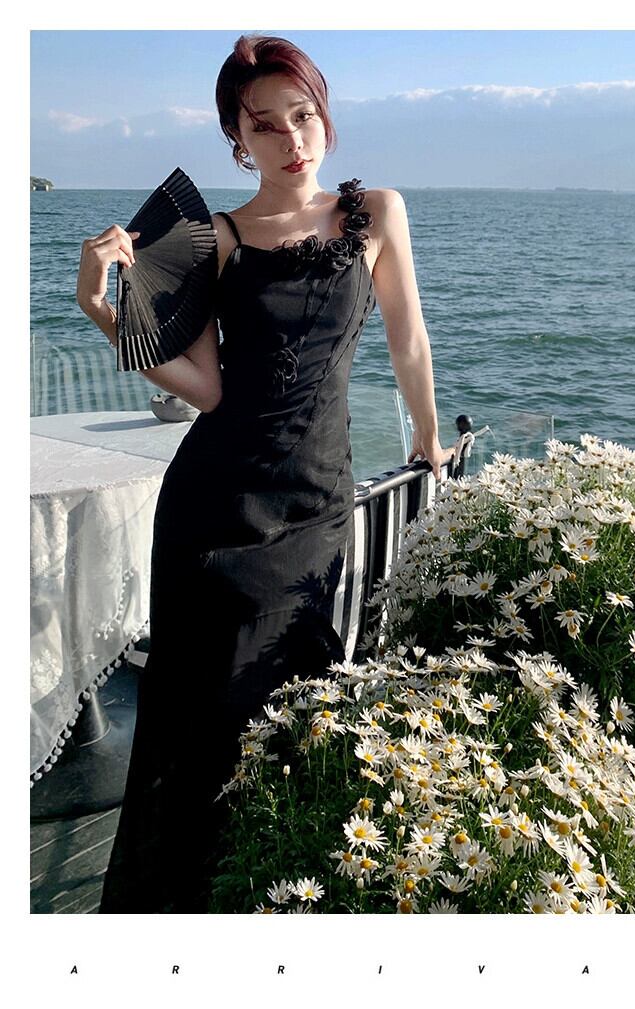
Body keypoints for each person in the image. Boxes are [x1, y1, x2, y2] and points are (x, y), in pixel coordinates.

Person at [75, 33, 453, 913]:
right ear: (238, 140)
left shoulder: (376, 213)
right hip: (211, 513)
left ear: (325, 117)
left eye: (303, 115)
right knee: (194, 725)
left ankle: (274, 903)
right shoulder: (217, 239)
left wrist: (429, 443)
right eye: (266, 124)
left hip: (315, 510)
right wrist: (99, 309)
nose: (291, 138)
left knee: (289, 711)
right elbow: (205, 387)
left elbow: (408, 342)